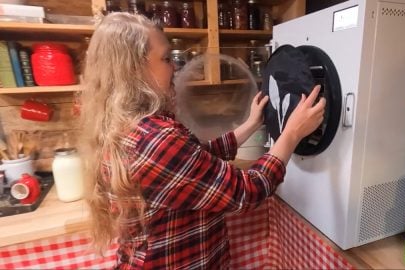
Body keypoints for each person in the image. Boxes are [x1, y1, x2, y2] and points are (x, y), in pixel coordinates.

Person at [80, 12, 326, 269]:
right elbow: (247, 191)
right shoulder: (155, 140)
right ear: (133, 69)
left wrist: (251, 124)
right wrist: (292, 134)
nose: (174, 67)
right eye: (165, 59)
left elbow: (195, 161)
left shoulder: (129, 127)